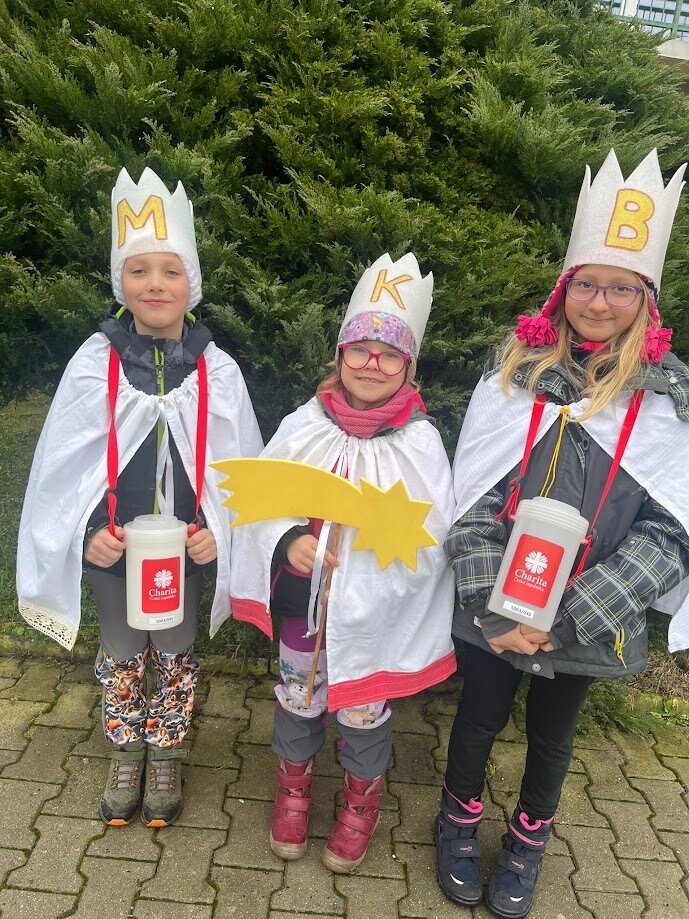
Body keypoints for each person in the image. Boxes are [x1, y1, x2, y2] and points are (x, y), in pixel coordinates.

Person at [435, 149, 689, 918]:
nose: (599, 301)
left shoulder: (665, 397)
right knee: (477, 716)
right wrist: (497, 603)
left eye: (620, 287)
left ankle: (526, 843)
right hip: (496, 603)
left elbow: (670, 531)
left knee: (552, 735)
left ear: (643, 300)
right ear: (563, 288)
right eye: (586, 283)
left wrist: (570, 615)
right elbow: (468, 495)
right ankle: (456, 823)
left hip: (587, 615)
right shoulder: (513, 371)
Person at [17, 167, 263, 828]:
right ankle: (127, 750)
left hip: (182, 549)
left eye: (170, 271)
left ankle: (168, 753)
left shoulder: (217, 369)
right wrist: (87, 531)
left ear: (192, 283)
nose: (155, 283)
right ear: (119, 281)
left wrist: (218, 529)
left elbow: (238, 465)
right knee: (123, 650)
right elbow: (65, 464)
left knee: (176, 649)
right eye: (139, 270)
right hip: (115, 547)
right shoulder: (94, 363)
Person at [229, 252, 456, 872]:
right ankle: (293, 791)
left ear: (409, 367)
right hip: (303, 606)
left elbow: (433, 534)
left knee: (363, 708)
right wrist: (287, 540)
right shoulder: (305, 424)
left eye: (389, 354)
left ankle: (361, 802)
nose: (372, 364)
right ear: (339, 355)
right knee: (298, 693)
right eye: (360, 349)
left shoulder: (420, 441)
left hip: (372, 614)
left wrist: (369, 575)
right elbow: (260, 498)